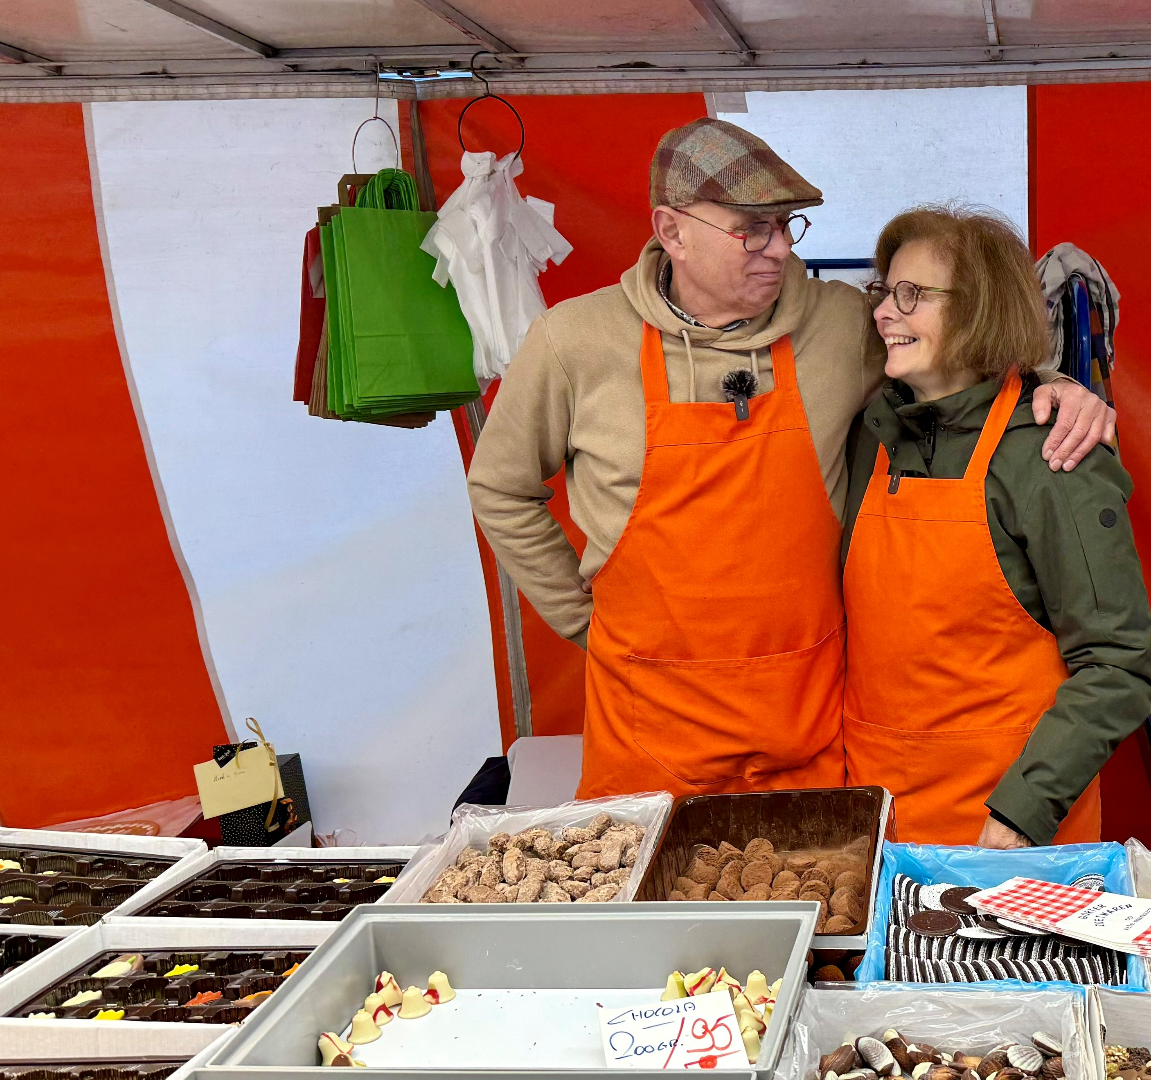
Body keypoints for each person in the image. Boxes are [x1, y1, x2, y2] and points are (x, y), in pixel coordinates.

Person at [467, 119, 1115, 801]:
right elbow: (501, 488)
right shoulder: (573, 343)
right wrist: (584, 620)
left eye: (786, 226)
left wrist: (1057, 384)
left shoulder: (840, 325)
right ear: (672, 230)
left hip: (806, 733)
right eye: (752, 229)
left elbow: (967, 344)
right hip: (647, 734)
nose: (777, 249)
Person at [840, 205, 1151, 847]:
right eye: (883, 291)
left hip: (1007, 831)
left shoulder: (1054, 455)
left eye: (911, 295)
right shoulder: (868, 437)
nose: (882, 313)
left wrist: (1021, 811)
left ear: (979, 309)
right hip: (875, 821)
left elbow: (1118, 664)